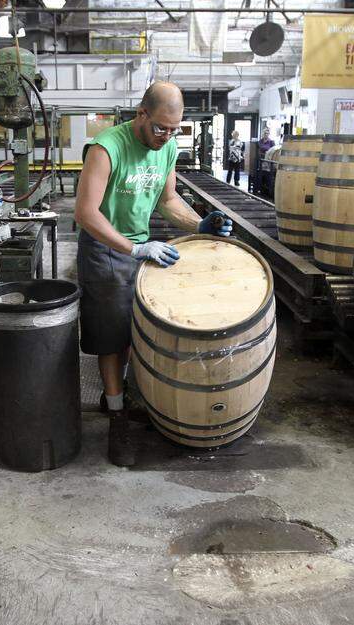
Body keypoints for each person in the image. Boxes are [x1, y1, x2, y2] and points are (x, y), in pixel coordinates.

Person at [74, 81, 233, 466]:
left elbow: (167, 199)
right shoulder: (107, 148)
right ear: (141, 114)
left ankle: (123, 394)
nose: (166, 136)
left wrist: (200, 225)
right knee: (112, 336)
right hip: (105, 249)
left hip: (141, 248)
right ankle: (116, 417)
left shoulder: (167, 150)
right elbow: (86, 213)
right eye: (160, 127)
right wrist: (133, 248)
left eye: (174, 130)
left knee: (140, 329)